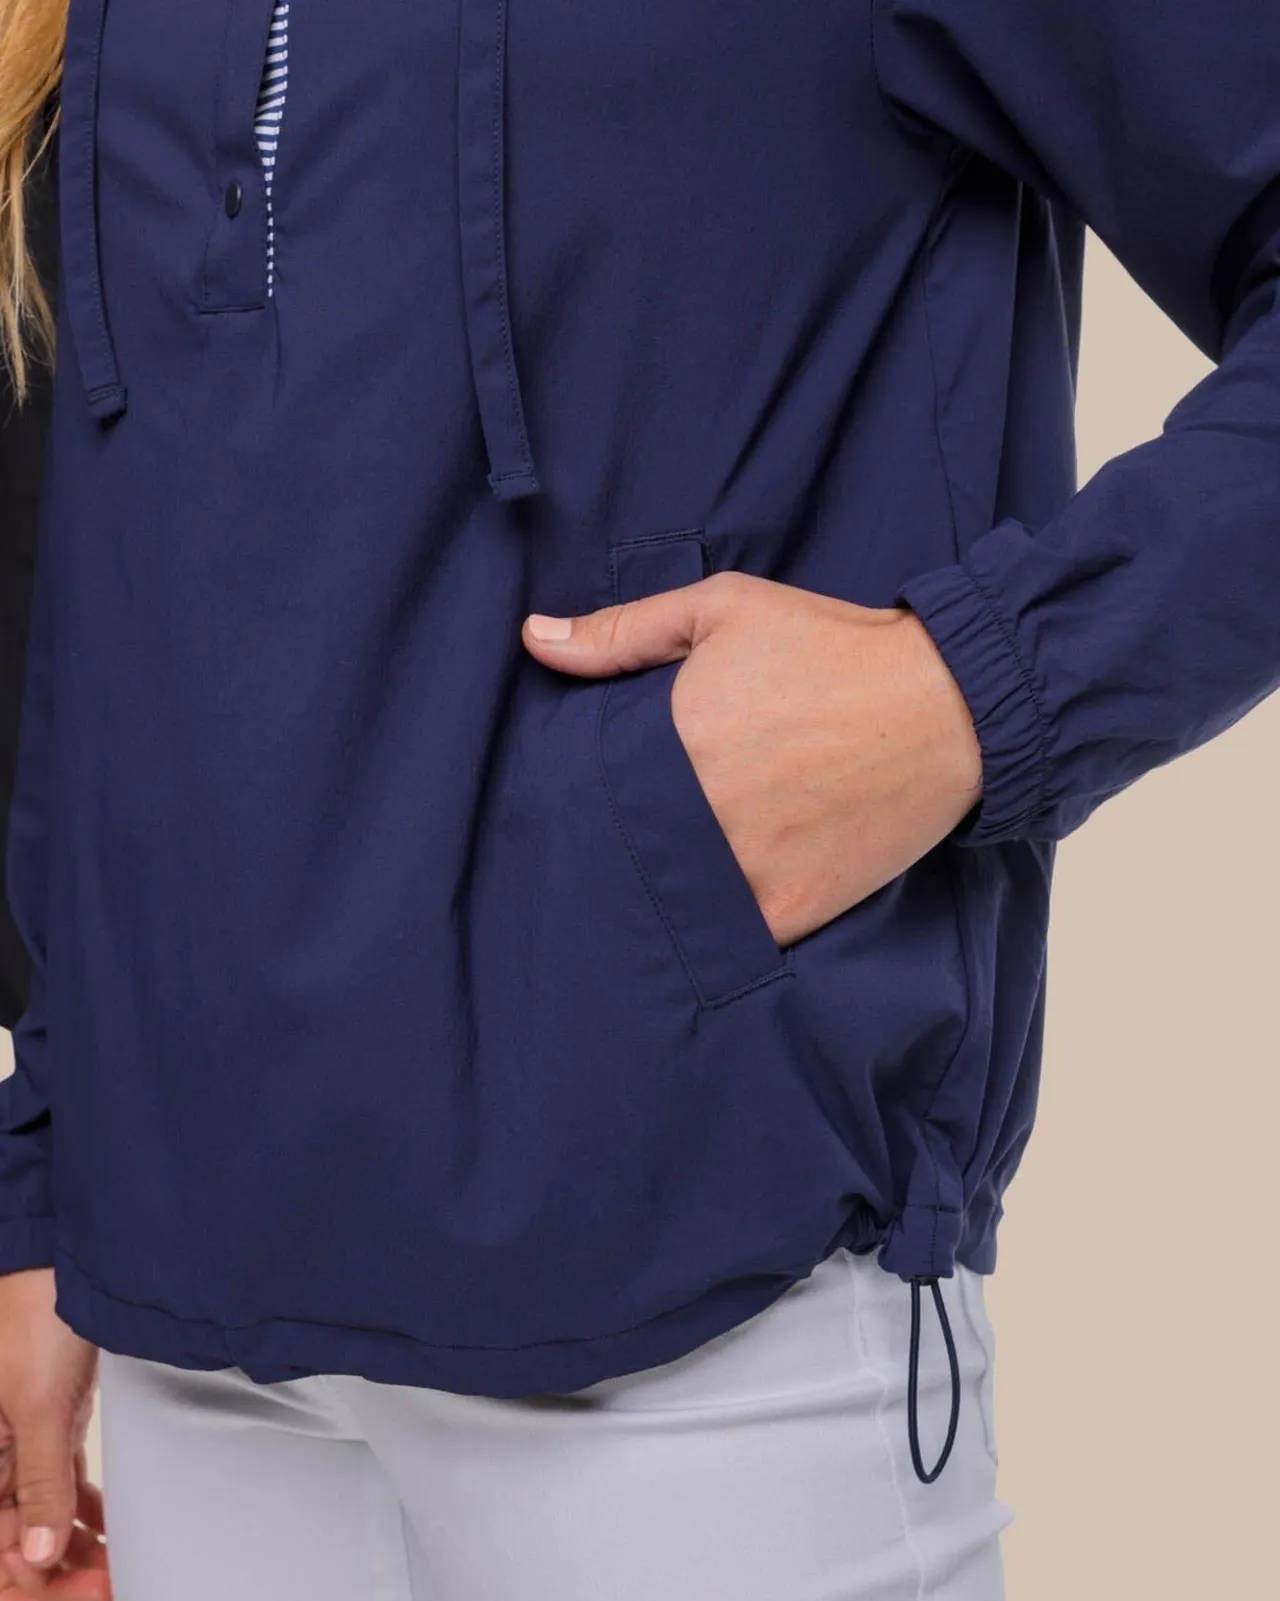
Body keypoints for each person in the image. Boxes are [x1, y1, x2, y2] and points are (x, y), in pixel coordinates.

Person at [1, 0, 1278, 1595]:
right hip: (184, 1340)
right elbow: (94, 546)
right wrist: (47, 1173)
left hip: (705, 1317)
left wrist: (977, 687)